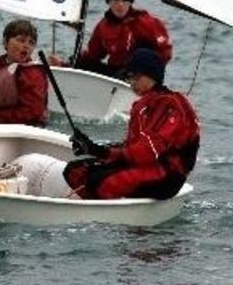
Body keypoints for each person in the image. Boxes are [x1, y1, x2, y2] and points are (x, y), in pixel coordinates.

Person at [63, 48, 199, 200]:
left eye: (136, 77)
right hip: (144, 165)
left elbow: (150, 151)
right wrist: (93, 148)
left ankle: (103, 209)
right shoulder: (143, 105)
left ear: (152, 75)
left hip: (167, 174)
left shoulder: (169, 105)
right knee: (76, 171)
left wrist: (104, 154)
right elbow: (132, 147)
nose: (131, 82)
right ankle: (95, 204)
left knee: (103, 183)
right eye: (129, 77)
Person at [56, 0, 172, 77]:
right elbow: (93, 54)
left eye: (124, 0)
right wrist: (69, 64)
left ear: (130, 2)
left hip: (141, 75)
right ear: (109, 1)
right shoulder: (103, 26)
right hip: (116, 72)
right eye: (116, 0)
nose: (120, 5)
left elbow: (165, 52)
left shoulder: (148, 23)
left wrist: (148, 76)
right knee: (81, 63)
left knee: (142, 53)